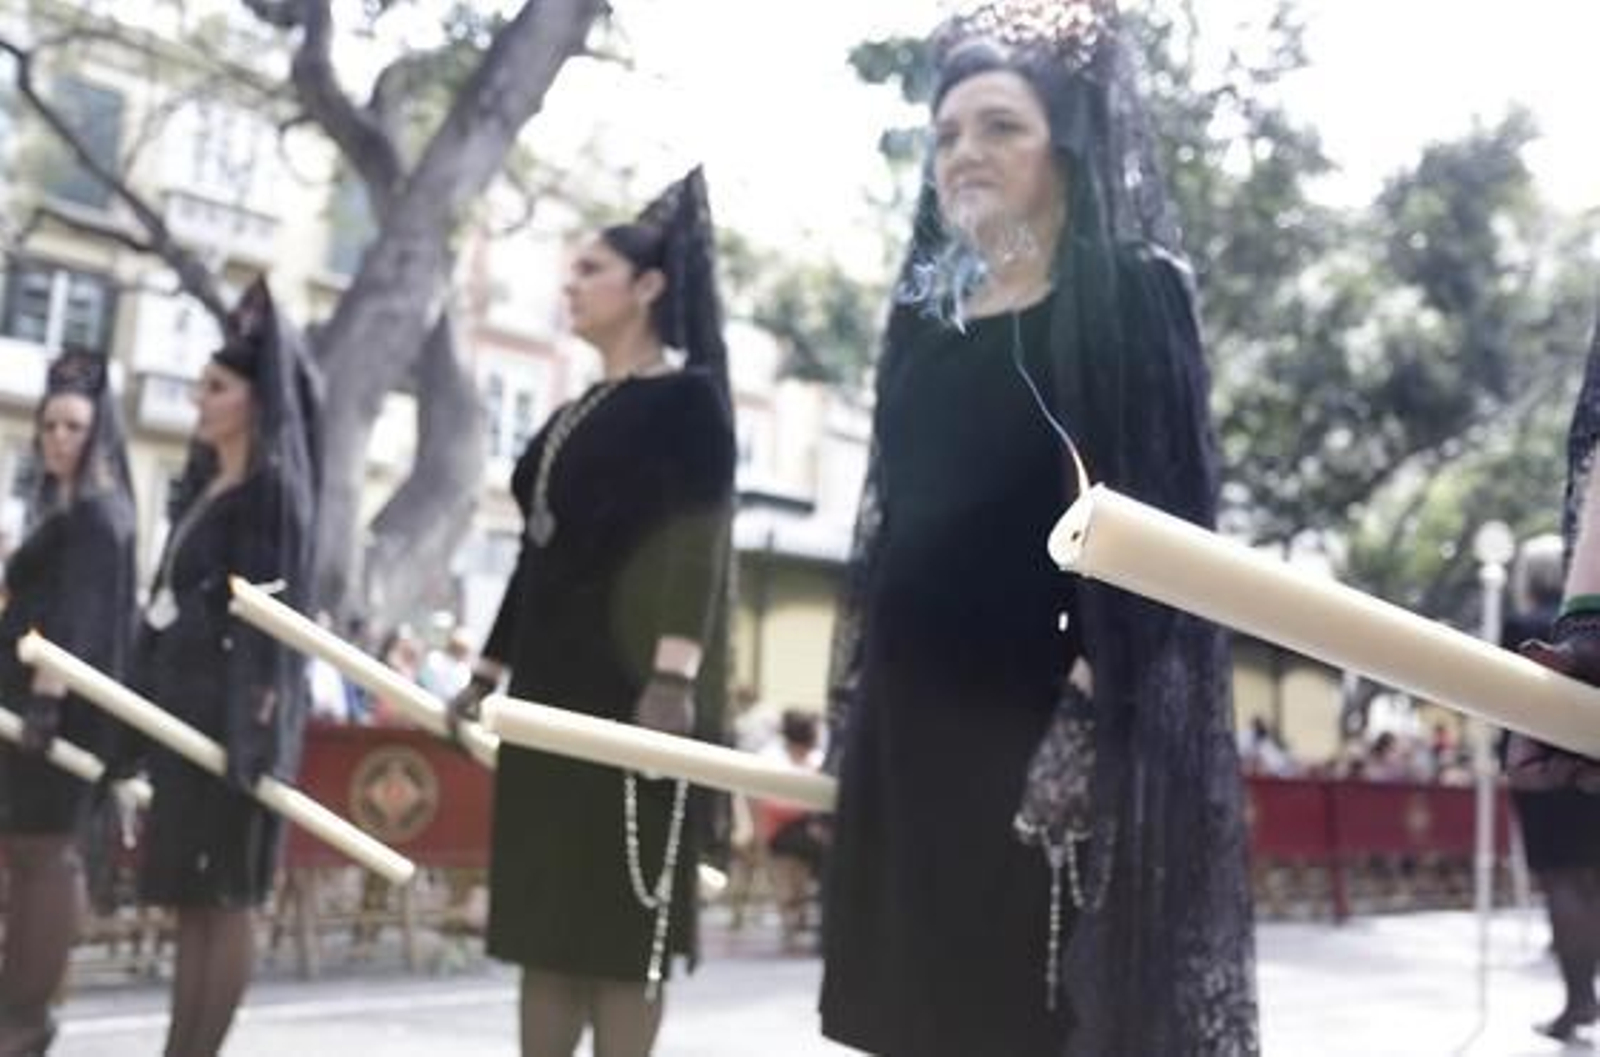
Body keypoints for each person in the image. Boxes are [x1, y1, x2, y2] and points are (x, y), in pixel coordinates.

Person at [820, 3, 1258, 1054]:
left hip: (1039, 718)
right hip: (905, 720)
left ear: (1065, 148)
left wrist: (1086, 716)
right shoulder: (922, 322)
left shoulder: (1130, 296)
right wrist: (854, 706)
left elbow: (1159, 526)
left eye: (1000, 126)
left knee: (1018, 1012)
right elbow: (888, 526)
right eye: (947, 134)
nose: (964, 152)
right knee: (904, 1012)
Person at [449, 167, 735, 1057]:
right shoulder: (573, 411)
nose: (568, 285)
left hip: (633, 690)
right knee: (546, 926)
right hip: (548, 692)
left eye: (589, 270)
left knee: (619, 928)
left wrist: (672, 678)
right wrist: (485, 674)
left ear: (647, 287)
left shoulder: (689, 399)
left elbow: (697, 542)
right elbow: (537, 556)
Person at [123, 279, 321, 1057]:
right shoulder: (207, 485)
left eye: (216, 387)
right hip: (186, 704)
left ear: (254, 398)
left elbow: (276, 616)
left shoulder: (274, 492)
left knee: (226, 891)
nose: (199, 400)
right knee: (191, 896)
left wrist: (256, 719)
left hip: (239, 713)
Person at [0, 349, 137, 1055]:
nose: (58, 438)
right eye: (50, 425)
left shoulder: (95, 514)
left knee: (44, 856)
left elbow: (77, 622)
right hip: (32, 707)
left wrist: (46, 705)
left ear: (98, 431)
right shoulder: (70, 507)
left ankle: (24, 1018)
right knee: (32, 857)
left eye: (74, 426)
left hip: (54, 716)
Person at [1500, 534, 1600, 1040]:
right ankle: (1584, 997)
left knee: (1563, 882)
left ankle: (1579, 998)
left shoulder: (1522, 626)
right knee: (1591, 881)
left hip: (1542, 767)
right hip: (1592, 755)